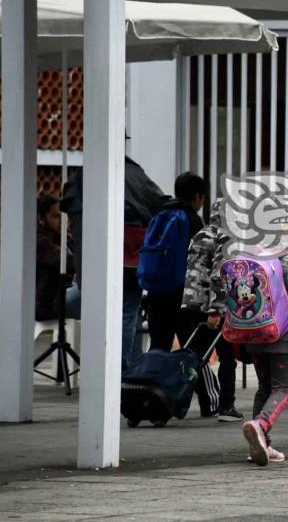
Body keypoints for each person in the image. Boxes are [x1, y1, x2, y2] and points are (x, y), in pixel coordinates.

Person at [209, 245, 288, 466]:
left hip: (252, 332)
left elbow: (216, 279)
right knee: (283, 389)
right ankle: (260, 426)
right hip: (283, 333)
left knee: (265, 387)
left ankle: (261, 445)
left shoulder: (242, 257)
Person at [60, 157, 168, 372]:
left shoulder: (86, 174)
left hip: (95, 260)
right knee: (129, 312)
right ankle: (123, 370)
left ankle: (105, 369)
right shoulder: (135, 174)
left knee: (101, 314)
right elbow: (160, 206)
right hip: (132, 260)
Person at [182, 197, 243, 420]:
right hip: (214, 306)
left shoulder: (200, 234)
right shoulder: (227, 236)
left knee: (194, 356)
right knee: (227, 357)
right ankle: (227, 405)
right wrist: (216, 310)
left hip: (192, 303)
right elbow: (220, 274)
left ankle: (178, 395)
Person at [145, 172, 205, 352]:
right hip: (183, 298)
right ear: (197, 197)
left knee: (158, 348)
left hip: (156, 293)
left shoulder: (160, 215)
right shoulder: (193, 221)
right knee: (191, 351)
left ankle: (156, 380)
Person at [35, 195, 75, 321]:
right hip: (47, 303)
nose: (63, 221)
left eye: (65, 216)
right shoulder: (39, 239)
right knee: (91, 295)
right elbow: (63, 261)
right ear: (41, 218)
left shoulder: (64, 237)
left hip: (62, 295)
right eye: (56, 216)